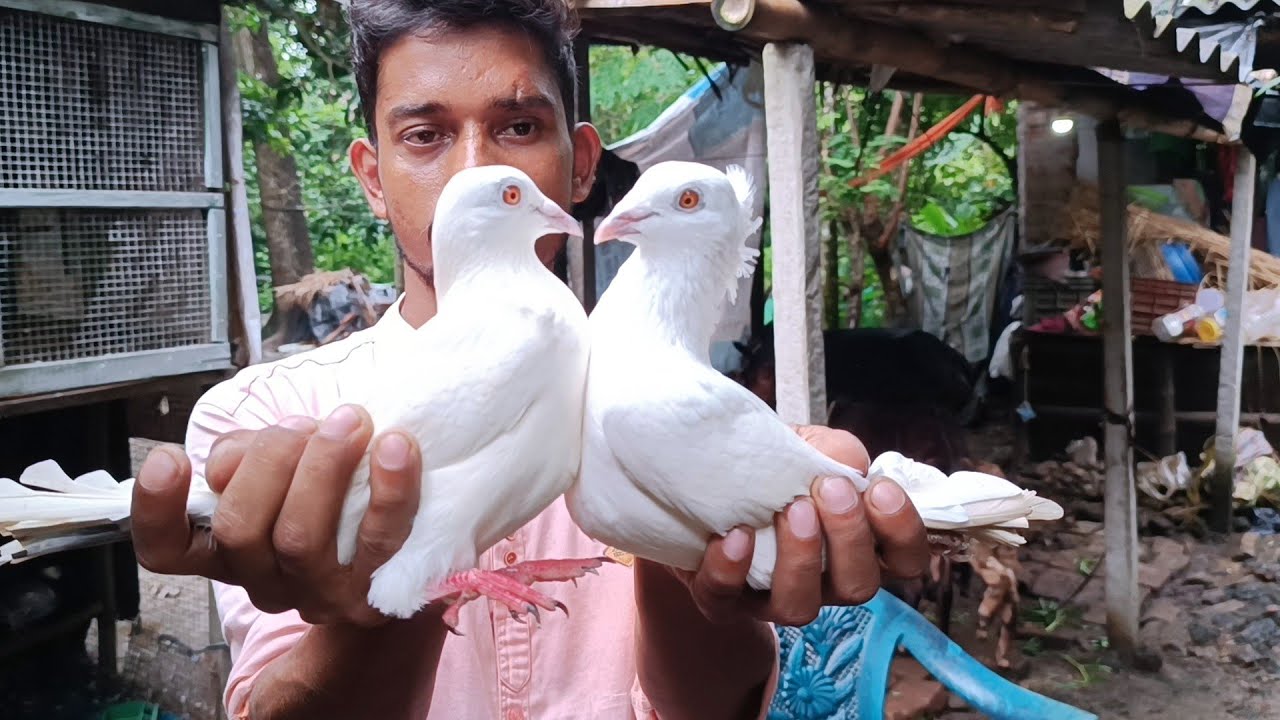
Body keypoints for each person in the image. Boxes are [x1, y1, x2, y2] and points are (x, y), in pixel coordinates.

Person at [128, 2, 931, 718]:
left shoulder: (668, 405)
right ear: (372, 177)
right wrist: (381, 595)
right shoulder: (264, 420)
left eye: (518, 128)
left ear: (581, 164)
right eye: (424, 135)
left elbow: (711, 708)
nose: (478, 173)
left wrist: (690, 542)